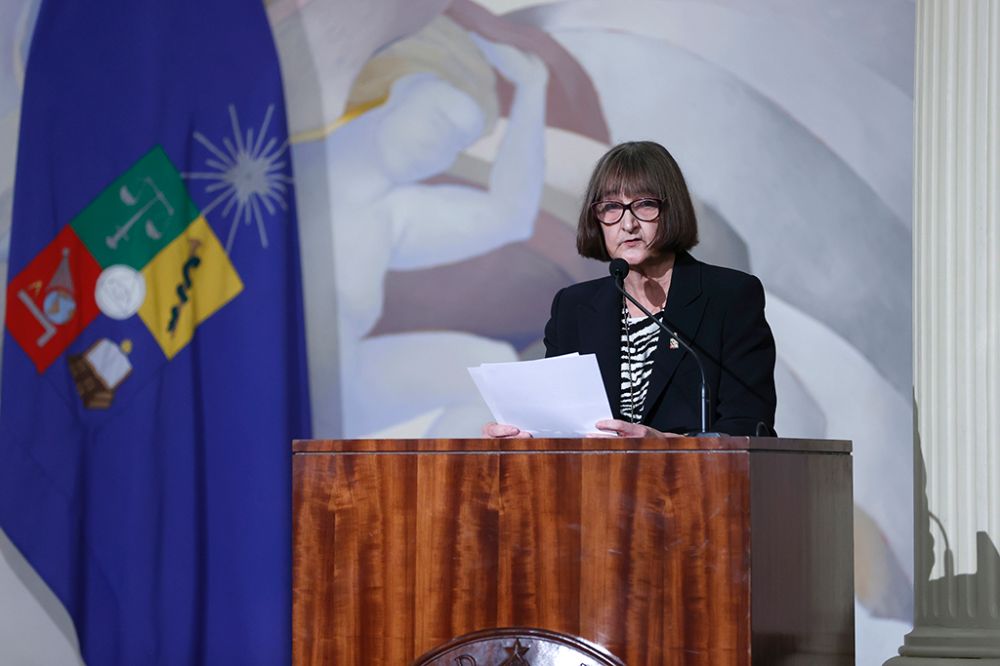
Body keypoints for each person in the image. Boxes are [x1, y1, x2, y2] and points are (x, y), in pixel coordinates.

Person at [484, 141, 776, 438]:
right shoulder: (574, 307)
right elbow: (561, 422)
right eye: (611, 207)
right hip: (593, 483)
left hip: (692, 483)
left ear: (671, 210)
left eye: (645, 205)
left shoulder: (730, 297)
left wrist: (665, 446)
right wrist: (525, 437)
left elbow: (750, 425)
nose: (628, 224)